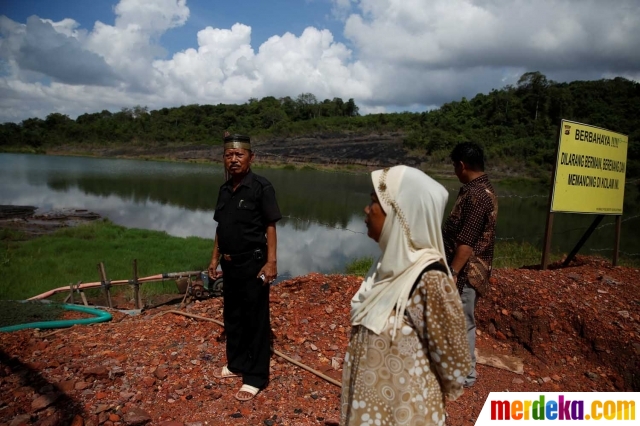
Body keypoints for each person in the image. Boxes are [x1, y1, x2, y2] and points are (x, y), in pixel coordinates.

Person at [341, 165, 471, 426]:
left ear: (400, 212)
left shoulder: (430, 279)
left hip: (408, 415)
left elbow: (455, 365)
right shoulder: (385, 268)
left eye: (374, 201)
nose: (367, 210)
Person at [208, 133, 282, 402]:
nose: (234, 160)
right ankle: (236, 363)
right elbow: (220, 227)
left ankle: (256, 376)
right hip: (229, 265)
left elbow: (270, 226)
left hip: (253, 262)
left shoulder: (261, 187)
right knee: (233, 316)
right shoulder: (225, 189)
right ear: (224, 159)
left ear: (251, 157)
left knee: (256, 318)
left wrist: (271, 261)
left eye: (239, 155)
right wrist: (214, 258)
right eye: (229, 155)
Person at [442, 142, 498, 388]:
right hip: (465, 270)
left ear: (462, 165)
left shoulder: (476, 196)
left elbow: (466, 243)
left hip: (466, 272)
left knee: (462, 321)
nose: (455, 170)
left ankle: (465, 376)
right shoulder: (478, 189)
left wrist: (452, 273)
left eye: (455, 165)